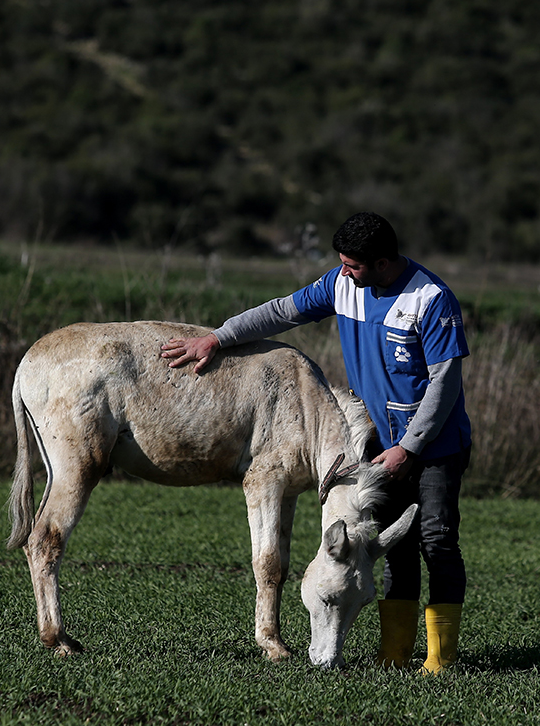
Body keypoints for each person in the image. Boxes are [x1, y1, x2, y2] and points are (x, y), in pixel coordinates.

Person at [160, 212, 471, 674]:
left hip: (433, 448)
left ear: (383, 262)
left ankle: (440, 661)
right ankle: (395, 655)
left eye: (353, 266)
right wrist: (217, 338)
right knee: (391, 550)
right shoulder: (342, 285)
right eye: (342, 264)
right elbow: (282, 312)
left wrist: (411, 447)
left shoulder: (432, 298)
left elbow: (445, 383)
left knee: (436, 542)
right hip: (373, 451)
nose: (344, 273)